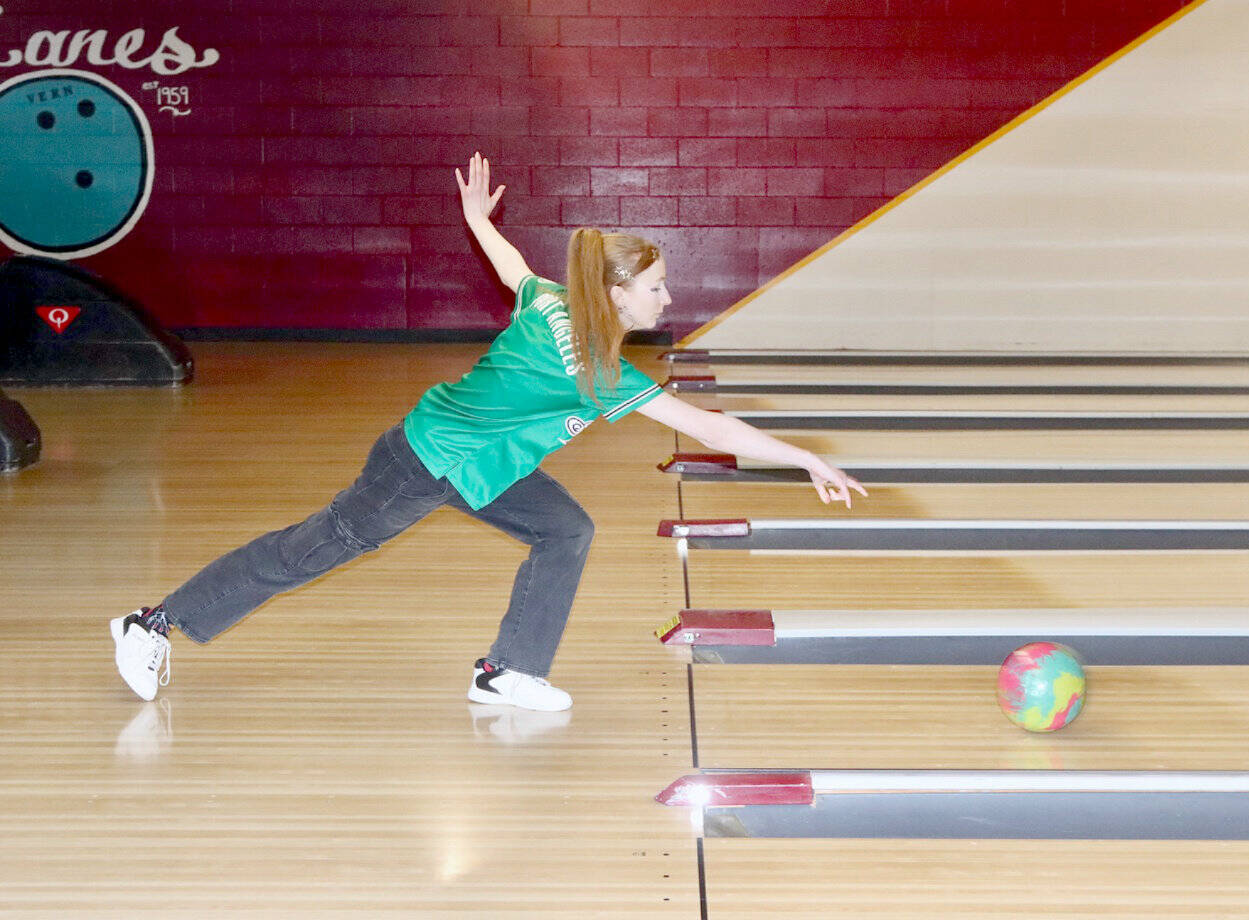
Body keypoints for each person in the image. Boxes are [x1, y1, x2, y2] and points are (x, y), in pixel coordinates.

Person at [110, 153, 867, 712]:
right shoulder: (604, 374)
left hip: (476, 467)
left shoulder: (551, 305)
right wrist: (804, 457)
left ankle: (509, 671)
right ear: (617, 293)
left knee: (565, 528)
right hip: (420, 464)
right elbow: (706, 423)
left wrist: (477, 221)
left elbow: (513, 267)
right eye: (657, 285)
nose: (668, 294)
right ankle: (152, 622)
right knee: (311, 550)